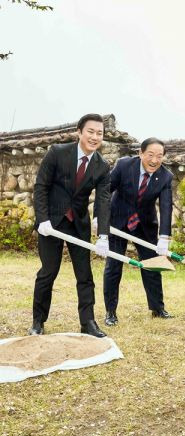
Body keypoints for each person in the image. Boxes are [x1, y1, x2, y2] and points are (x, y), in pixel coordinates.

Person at [30, 113, 111, 338]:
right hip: (52, 222)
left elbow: (104, 201)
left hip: (78, 225)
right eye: (91, 132)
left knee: (85, 275)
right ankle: (38, 321)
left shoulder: (102, 166)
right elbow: (41, 187)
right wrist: (42, 219)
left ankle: (88, 322)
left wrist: (103, 235)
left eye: (99, 133)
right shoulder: (57, 152)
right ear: (79, 132)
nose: (95, 137)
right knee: (48, 272)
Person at [98, 137, 174, 326]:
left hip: (145, 224)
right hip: (117, 220)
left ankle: (157, 308)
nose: (154, 160)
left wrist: (164, 237)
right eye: (150, 155)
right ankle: (110, 312)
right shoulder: (124, 165)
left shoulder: (165, 176)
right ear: (140, 153)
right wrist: (100, 220)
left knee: (152, 265)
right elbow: (105, 192)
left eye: (159, 156)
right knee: (114, 266)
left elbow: (166, 207)